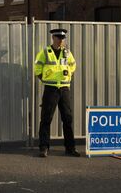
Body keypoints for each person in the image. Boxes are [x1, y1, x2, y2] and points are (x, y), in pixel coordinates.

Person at [34, 28, 80, 158]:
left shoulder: (67, 52)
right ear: (53, 38)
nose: (61, 41)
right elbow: (37, 67)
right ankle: (44, 148)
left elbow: (73, 65)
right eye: (58, 38)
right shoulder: (45, 52)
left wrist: (68, 75)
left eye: (62, 38)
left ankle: (70, 148)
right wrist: (43, 77)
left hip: (64, 89)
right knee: (46, 119)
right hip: (51, 88)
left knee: (68, 119)